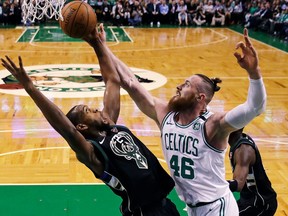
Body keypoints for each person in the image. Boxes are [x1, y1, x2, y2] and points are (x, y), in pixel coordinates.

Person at [85, 26, 267, 216]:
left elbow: (254, 108)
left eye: (187, 85)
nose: (179, 86)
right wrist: (100, 45)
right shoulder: (166, 115)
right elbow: (130, 81)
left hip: (217, 208)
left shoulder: (213, 126)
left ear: (200, 98)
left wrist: (254, 73)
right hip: (192, 208)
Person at [0, 29, 180, 216]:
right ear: (82, 126)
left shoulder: (110, 124)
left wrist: (96, 44)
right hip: (144, 213)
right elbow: (66, 129)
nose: (95, 108)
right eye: (87, 110)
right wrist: (30, 88)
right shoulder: (93, 152)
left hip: (166, 206)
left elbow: (112, 80)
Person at [228, 128, 277, 215]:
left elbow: (238, 184)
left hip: (260, 203)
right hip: (246, 198)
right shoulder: (236, 141)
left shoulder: (244, 150)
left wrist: (214, 185)